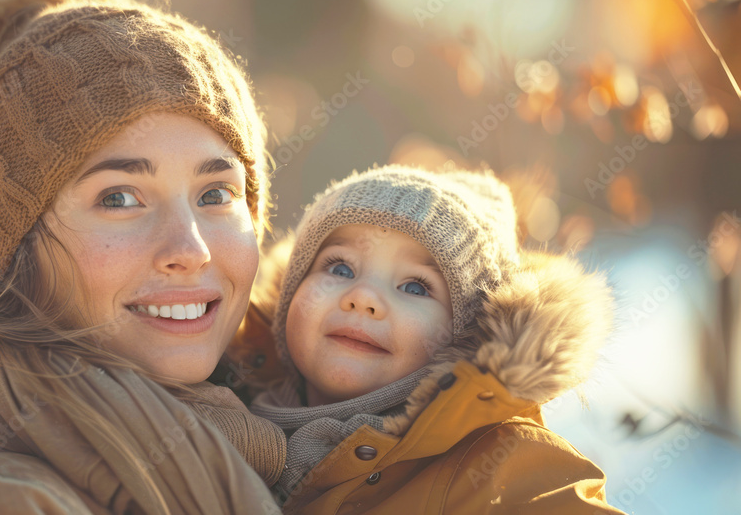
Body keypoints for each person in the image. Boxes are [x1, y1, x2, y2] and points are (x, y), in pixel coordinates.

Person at [0, 0, 287, 513]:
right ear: (20, 249)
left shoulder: (292, 451)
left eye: (216, 195)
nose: (190, 249)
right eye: (119, 199)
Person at [238, 164, 626, 514]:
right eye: (340, 267)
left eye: (415, 287)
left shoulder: (500, 467)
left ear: (465, 333)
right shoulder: (221, 399)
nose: (363, 298)